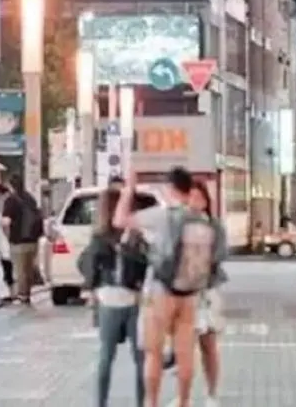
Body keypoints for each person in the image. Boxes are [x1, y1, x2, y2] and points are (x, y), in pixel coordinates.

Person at [113, 166, 218, 407]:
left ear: (170, 188)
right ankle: (183, 401)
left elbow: (119, 220)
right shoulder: (200, 218)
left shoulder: (160, 215)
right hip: (190, 291)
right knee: (185, 353)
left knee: (154, 353)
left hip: (160, 291)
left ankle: (152, 403)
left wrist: (128, 190)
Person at [79, 186, 147, 406]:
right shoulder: (102, 238)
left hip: (119, 301)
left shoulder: (133, 236)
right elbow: (87, 265)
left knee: (114, 358)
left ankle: (106, 402)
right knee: (118, 359)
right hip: (123, 301)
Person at [192, 182, 227, 407]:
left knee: (208, 344)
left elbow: (219, 255)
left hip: (207, 290)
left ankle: (212, 394)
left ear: (205, 201)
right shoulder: (178, 224)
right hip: (182, 292)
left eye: (197, 198)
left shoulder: (215, 226)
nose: (193, 203)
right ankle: (184, 396)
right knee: (184, 346)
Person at [0, 174, 45, 303]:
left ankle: (22, 295)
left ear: (11, 185)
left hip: (18, 241)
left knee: (20, 270)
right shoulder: (30, 198)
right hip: (33, 240)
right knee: (28, 269)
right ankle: (27, 293)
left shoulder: (11, 200)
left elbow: (5, 222)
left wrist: (9, 237)